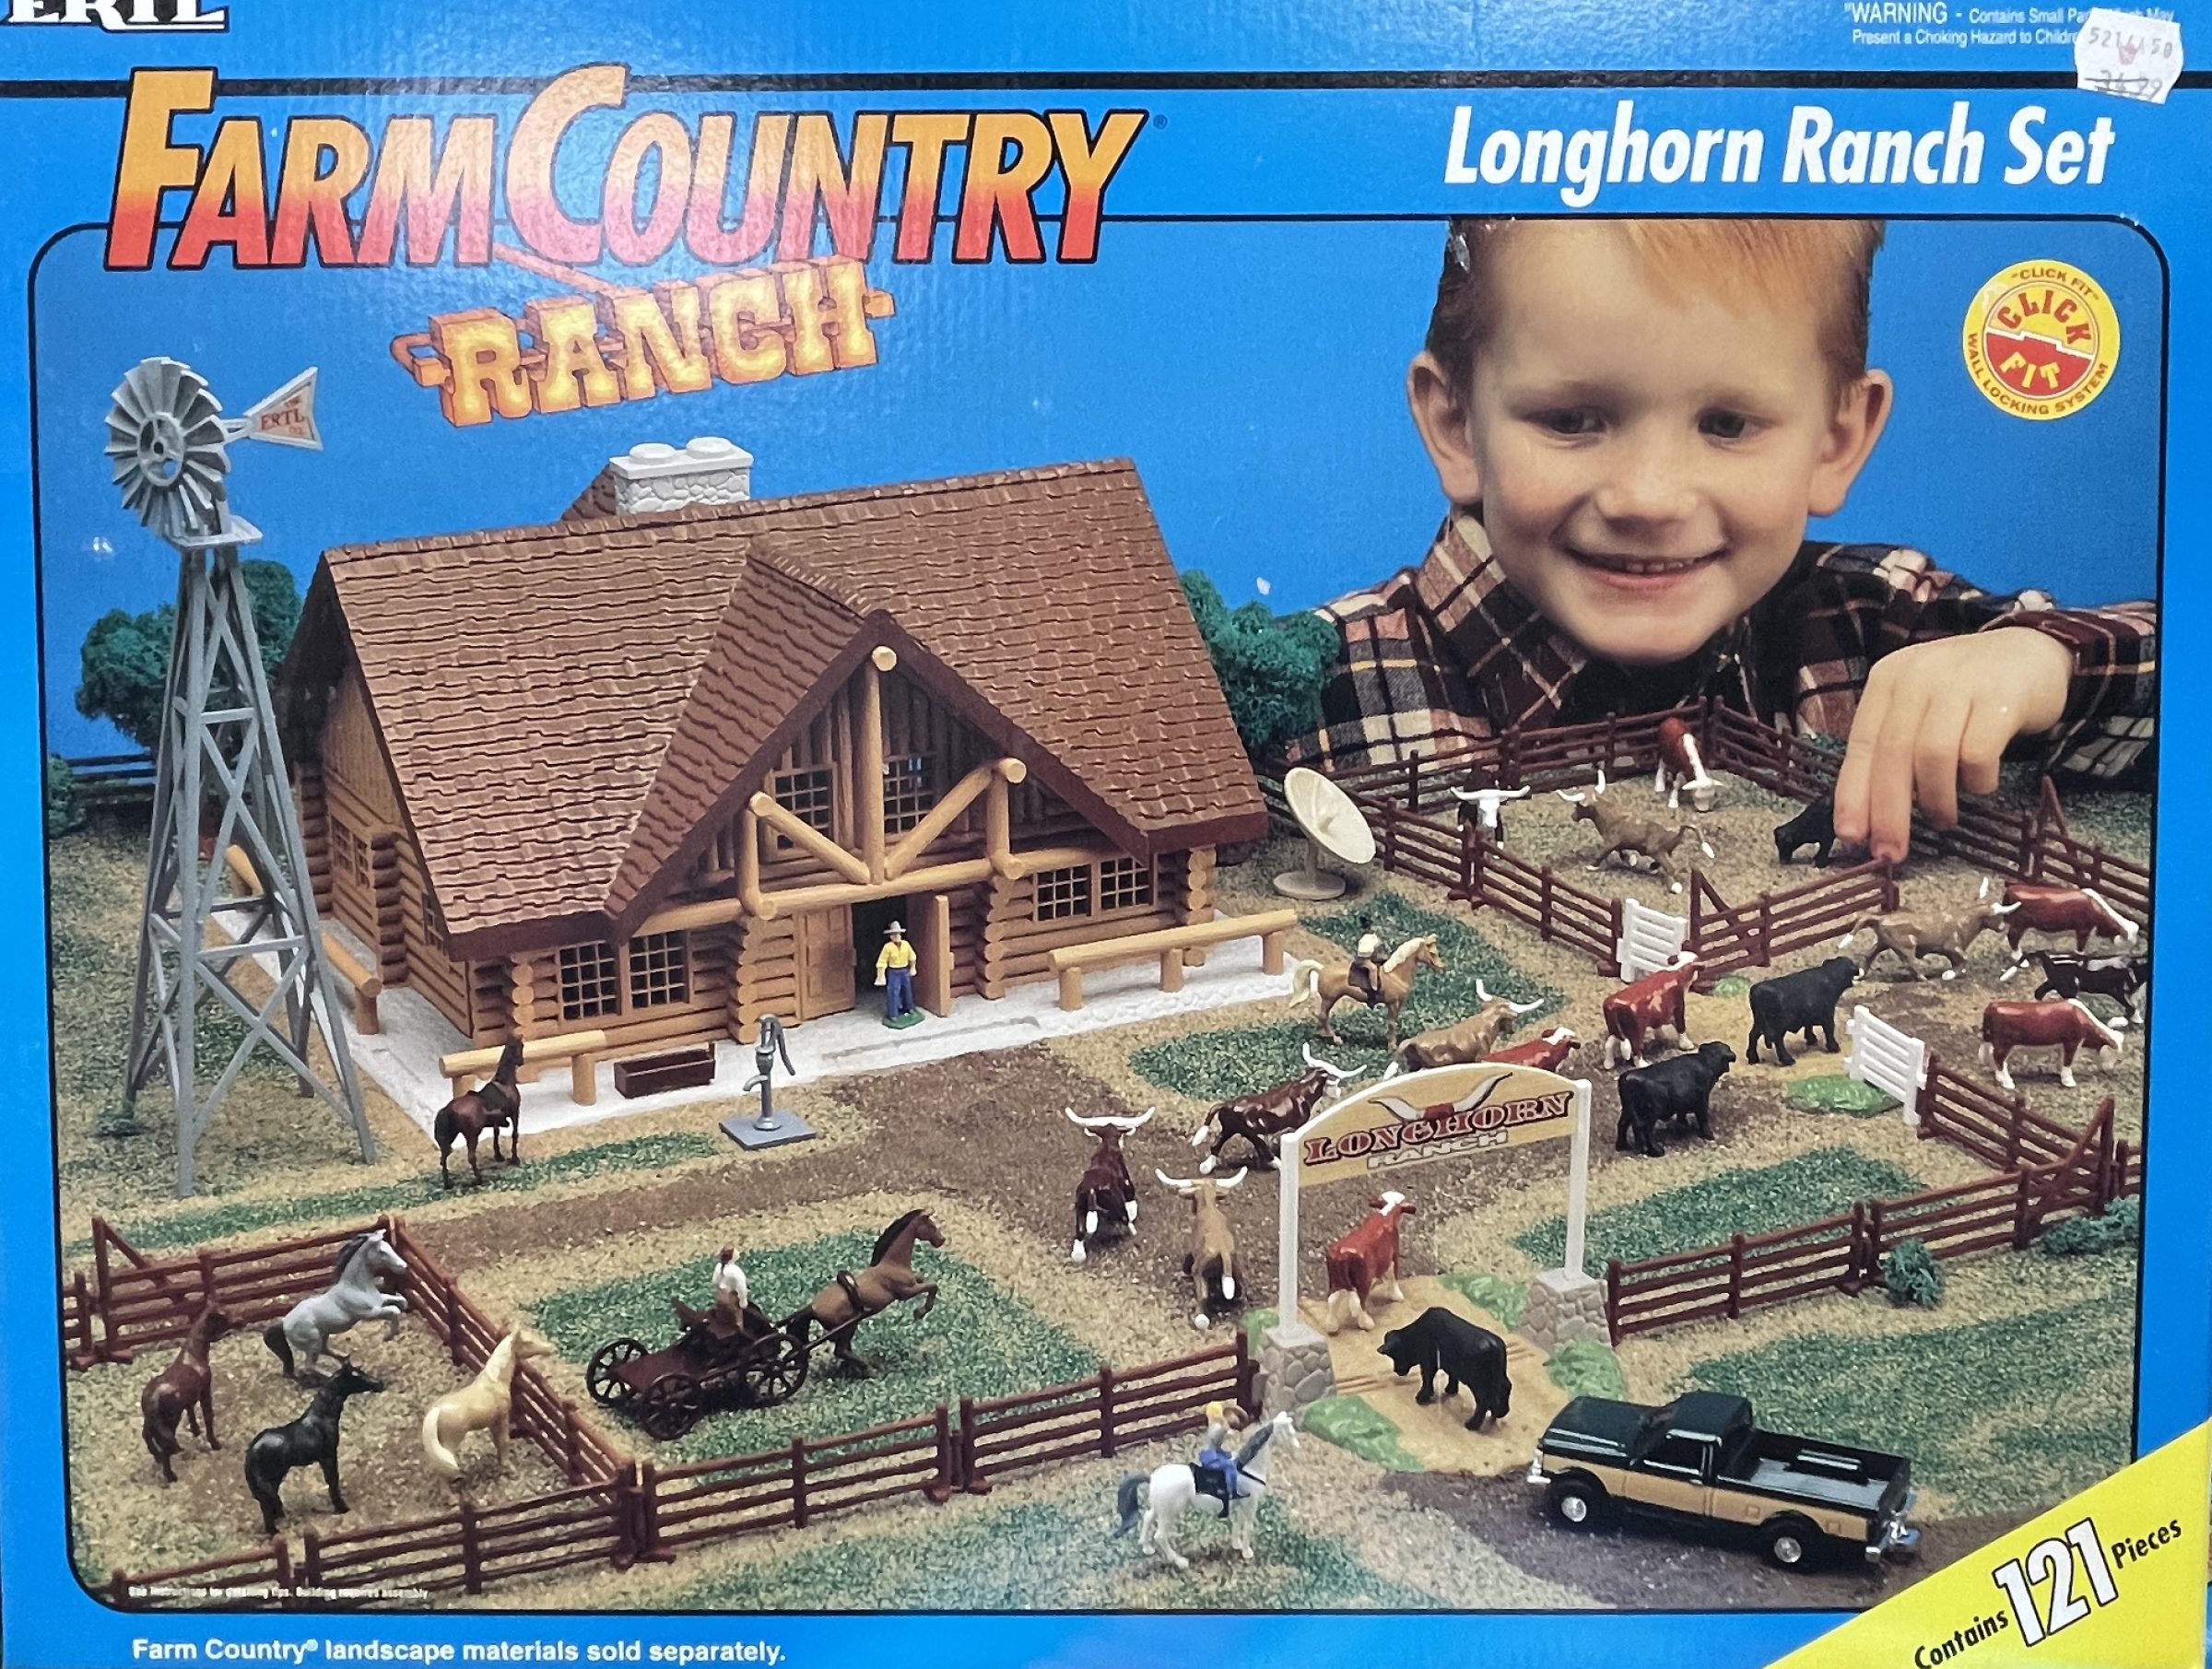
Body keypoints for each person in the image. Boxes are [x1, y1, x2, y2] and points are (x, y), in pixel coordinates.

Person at [1283, 218, 2155, 864]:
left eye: (1727, 424)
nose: (1650, 497)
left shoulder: (1874, 619)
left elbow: (2169, 674)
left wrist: (2040, 662)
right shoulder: (1308, 691)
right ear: (1455, 424)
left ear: (1836, 440)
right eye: (1572, 419)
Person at [1194, 1399, 1245, 1518]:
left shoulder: (1213, 1425)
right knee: (1230, 1466)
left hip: (1211, 1453)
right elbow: (1216, 1442)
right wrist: (1225, 1430)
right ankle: (1232, 1491)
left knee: (1229, 1457)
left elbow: (1216, 1445)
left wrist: (1225, 1453)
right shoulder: (1217, 1427)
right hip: (1210, 1456)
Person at [875, 921, 918, 1025]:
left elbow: (912, 957)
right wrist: (881, 975)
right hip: (894, 971)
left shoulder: (906, 945)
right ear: (890, 936)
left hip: (904, 970)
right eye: (894, 934)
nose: (897, 936)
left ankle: (908, 1008)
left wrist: (913, 968)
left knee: (907, 990)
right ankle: (893, 1013)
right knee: (893, 992)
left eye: (898, 934)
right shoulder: (888, 947)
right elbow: (882, 961)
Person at [1348, 915, 1384, 1005]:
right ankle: (1373, 990)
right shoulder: (1364, 938)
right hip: (1363, 959)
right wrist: (1373, 949)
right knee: (1373, 968)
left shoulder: (1372, 936)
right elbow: (1362, 951)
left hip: (1371, 957)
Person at [711, 1246, 748, 1333]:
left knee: (722, 1324)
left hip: (721, 1301)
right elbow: (741, 1289)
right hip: (732, 1303)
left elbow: (715, 1282)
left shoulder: (718, 1267)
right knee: (736, 1326)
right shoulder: (735, 1271)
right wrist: (743, 1302)